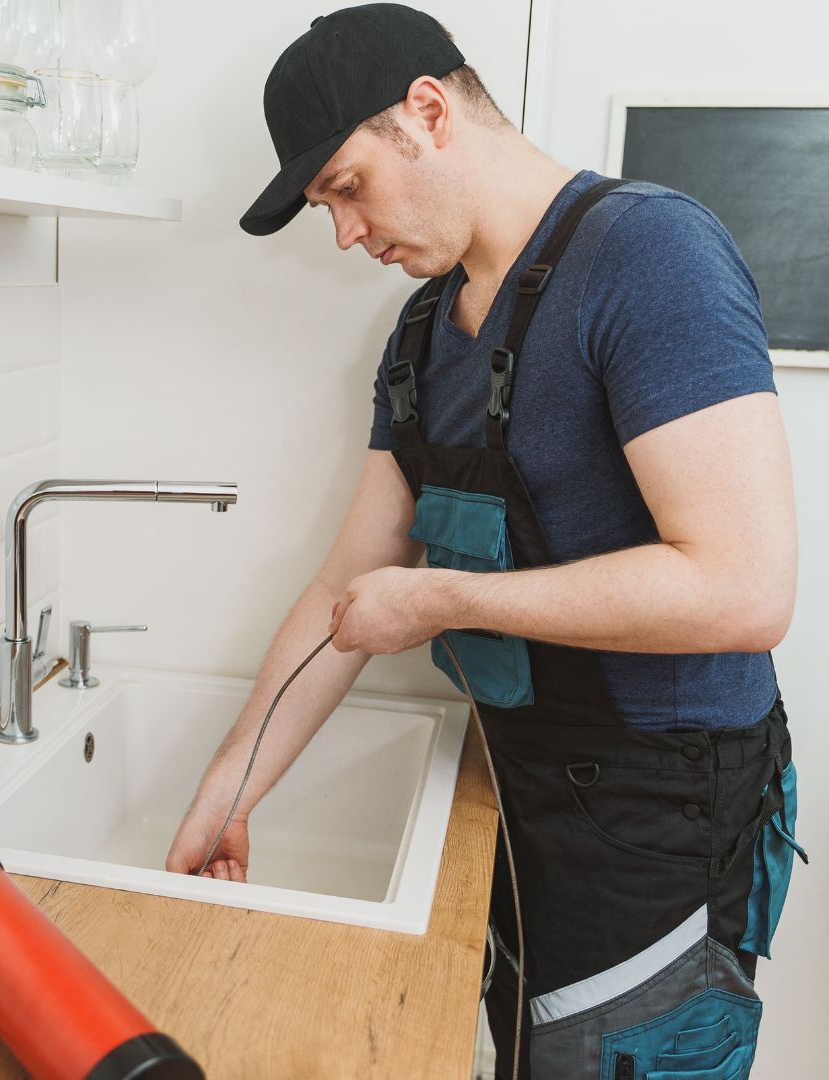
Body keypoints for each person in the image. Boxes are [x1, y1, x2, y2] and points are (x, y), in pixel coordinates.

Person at [166, 5, 805, 1076]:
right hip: (518, 794)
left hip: (662, 824)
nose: (347, 235)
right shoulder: (422, 332)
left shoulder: (650, 254)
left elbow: (744, 588)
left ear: (428, 111)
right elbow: (351, 586)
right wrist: (226, 797)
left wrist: (445, 602)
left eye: (349, 187)